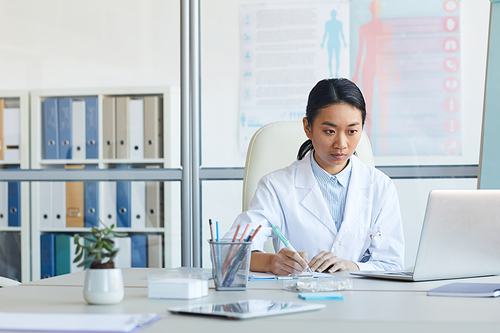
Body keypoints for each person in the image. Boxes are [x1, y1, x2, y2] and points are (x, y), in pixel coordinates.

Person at [224, 78, 404, 275]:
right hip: (298, 299)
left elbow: (392, 265)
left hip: (360, 299)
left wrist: (350, 266)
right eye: (329, 131)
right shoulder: (276, 186)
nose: (341, 143)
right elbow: (229, 253)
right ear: (308, 127)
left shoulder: (380, 186)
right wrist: (270, 262)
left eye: (352, 131)